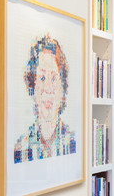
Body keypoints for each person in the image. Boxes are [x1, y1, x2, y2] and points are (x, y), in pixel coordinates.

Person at [13, 34, 77, 163]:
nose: (48, 88)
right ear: (33, 85)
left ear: (62, 87)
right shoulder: (22, 147)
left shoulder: (72, 141)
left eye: (53, 78)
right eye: (42, 78)